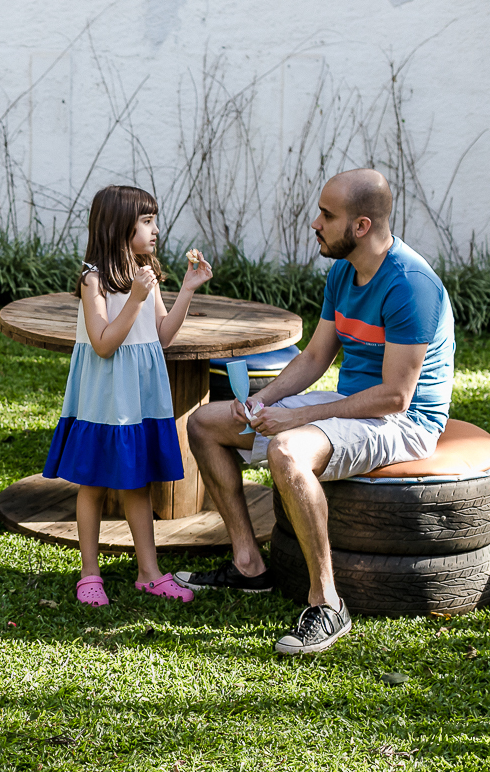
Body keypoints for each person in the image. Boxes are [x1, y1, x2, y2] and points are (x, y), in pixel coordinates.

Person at [175, 168, 455, 655]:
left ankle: (327, 603)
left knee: (287, 450)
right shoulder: (343, 272)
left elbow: (395, 397)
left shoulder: (411, 286)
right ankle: (248, 565)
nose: (315, 223)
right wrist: (262, 401)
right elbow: (313, 358)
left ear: (361, 226)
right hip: (355, 407)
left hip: (404, 422)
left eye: (327, 215)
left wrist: (297, 418)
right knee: (206, 423)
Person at [43, 185, 213, 607]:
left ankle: (149, 573)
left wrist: (187, 290)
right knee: (93, 483)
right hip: (104, 399)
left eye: (154, 221)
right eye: (147, 221)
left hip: (139, 398)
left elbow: (162, 335)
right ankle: (89, 574)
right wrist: (135, 298)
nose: (155, 230)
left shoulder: (144, 272)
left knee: (138, 482)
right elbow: (103, 343)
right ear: (120, 226)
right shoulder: (94, 280)